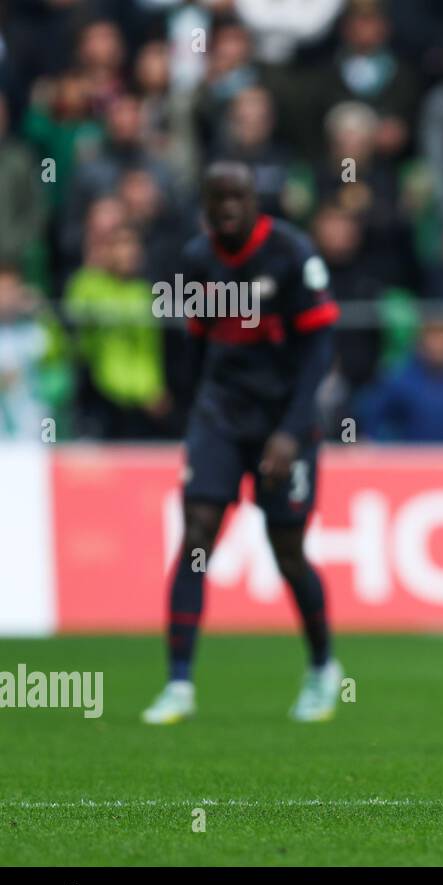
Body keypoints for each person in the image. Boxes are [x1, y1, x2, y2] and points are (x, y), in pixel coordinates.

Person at [142, 161, 344, 725]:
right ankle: (179, 682)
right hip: (222, 416)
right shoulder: (196, 260)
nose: (227, 207)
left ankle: (323, 667)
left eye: (238, 196)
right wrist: (196, 418)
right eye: (217, 198)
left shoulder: (291, 253)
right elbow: (197, 346)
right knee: (198, 533)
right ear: (205, 206)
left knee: (287, 550)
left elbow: (319, 352)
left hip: (285, 419)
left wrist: (291, 431)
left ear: (255, 202)